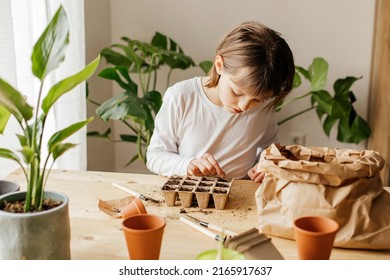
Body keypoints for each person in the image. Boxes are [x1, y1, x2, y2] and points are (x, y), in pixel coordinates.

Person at [146, 21, 295, 183]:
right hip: (190, 194)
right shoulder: (181, 96)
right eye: (237, 92)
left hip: (241, 195)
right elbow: (155, 156)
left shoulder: (263, 107)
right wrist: (187, 165)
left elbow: (269, 149)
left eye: (257, 100)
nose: (244, 106)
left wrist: (264, 163)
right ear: (219, 65)